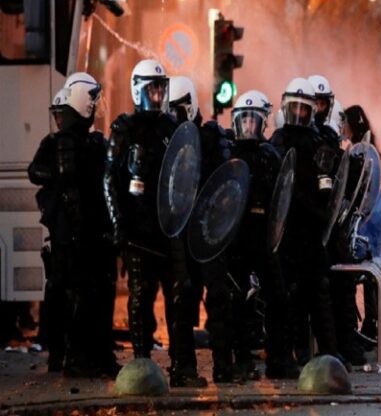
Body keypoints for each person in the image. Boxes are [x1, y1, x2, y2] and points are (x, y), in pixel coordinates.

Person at [104, 60, 206, 387]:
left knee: (180, 297)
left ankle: (183, 368)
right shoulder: (125, 129)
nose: (159, 95)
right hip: (138, 230)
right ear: (138, 91)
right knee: (141, 298)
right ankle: (141, 368)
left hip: (169, 227)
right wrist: (119, 223)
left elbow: (186, 173)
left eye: (161, 88)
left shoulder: (171, 127)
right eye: (152, 89)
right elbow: (110, 179)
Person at [28, 73, 119, 377]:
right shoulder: (59, 144)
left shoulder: (94, 143)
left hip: (92, 232)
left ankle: (94, 356)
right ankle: (71, 357)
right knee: (71, 294)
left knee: (95, 294)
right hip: (71, 235)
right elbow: (36, 172)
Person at [270, 78, 344, 369]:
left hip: (311, 232)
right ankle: (293, 353)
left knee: (319, 292)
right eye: (295, 107)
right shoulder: (277, 141)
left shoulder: (318, 141)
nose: (299, 114)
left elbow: (329, 188)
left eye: (305, 108)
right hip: (286, 232)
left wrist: (327, 175)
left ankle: (330, 353)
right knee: (288, 296)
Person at [168, 76, 234, 382]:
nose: (174, 115)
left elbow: (225, 182)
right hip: (182, 232)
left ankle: (224, 366)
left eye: (179, 108)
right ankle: (183, 367)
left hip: (208, 230)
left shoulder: (210, 138)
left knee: (218, 298)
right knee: (183, 297)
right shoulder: (168, 139)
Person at [229, 90, 298, 379]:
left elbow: (281, 196)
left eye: (253, 120)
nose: (248, 126)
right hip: (237, 237)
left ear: (262, 122)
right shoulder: (229, 154)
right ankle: (241, 360)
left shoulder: (270, 155)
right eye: (244, 120)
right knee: (237, 300)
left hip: (264, 237)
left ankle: (278, 359)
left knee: (278, 297)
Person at [341, 105, 381, 345]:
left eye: (345, 123)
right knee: (371, 276)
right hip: (374, 222)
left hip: (364, 223)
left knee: (355, 273)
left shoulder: (359, 154)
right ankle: (371, 324)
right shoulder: (370, 152)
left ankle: (365, 326)